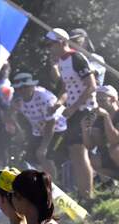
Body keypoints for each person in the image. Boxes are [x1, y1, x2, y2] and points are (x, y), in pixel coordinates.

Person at [46, 28, 97, 201]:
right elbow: (67, 88)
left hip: (86, 110)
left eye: (51, 44)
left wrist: (74, 107)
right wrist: (59, 104)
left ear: (62, 42)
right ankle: (84, 194)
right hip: (75, 112)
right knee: (75, 153)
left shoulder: (76, 57)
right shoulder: (61, 61)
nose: (49, 48)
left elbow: (91, 86)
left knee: (79, 151)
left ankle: (88, 195)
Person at [7, 72, 68, 178]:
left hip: (58, 128)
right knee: (30, 158)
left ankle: (53, 183)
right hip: (38, 130)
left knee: (44, 155)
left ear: (32, 86)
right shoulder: (17, 100)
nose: (22, 90)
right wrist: (19, 129)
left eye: (25, 87)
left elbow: (51, 123)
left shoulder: (43, 97)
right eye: (19, 88)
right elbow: (10, 115)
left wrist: (44, 146)